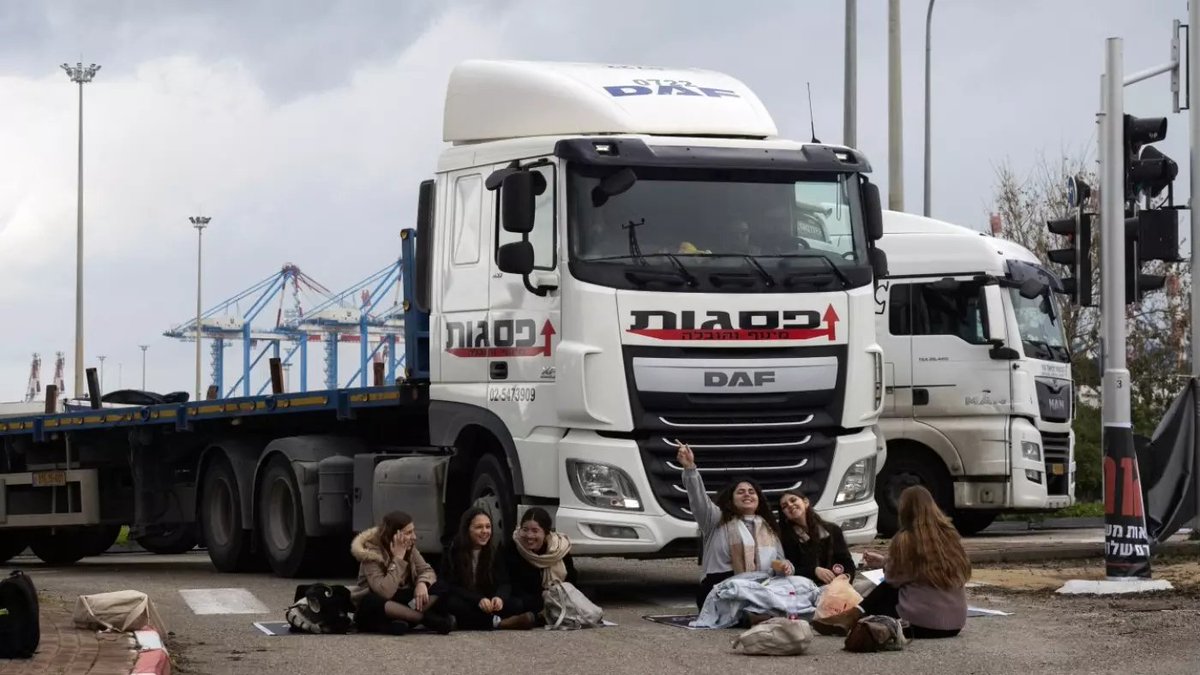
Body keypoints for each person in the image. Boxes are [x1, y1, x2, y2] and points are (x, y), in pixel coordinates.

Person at [811, 485, 970, 639]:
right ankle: (850, 617)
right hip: (955, 624)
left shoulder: (906, 539)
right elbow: (919, 569)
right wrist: (885, 562)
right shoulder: (950, 536)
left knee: (887, 589)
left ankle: (851, 617)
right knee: (890, 589)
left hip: (922, 625)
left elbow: (894, 578)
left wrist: (888, 565)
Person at [676, 443, 793, 610]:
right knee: (751, 596)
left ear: (758, 499)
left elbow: (780, 563)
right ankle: (758, 613)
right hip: (720, 590)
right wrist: (690, 468)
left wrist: (786, 567)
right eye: (741, 491)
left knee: (799, 585)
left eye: (751, 492)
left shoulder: (768, 528)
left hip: (761, 586)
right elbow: (698, 499)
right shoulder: (716, 520)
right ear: (731, 499)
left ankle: (759, 613)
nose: (747, 494)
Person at [349, 510, 455, 635]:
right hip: (381, 605)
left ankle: (404, 618)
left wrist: (422, 584)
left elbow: (426, 570)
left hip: (403, 603)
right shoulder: (371, 553)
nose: (414, 537)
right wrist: (398, 559)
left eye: (413, 531)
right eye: (409, 533)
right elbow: (385, 592)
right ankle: (424, 619)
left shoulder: (409, 547)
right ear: (394, 535)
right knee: (371, 601)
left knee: (441, 586)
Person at [438, 507, 537, 630]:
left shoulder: (493, 551)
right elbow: (448, 585)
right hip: (466, 599)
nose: (485, 531)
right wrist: (477, 600)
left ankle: (472, 621)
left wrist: (499, 598)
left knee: (516, 604)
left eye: (488, 527)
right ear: (467, 529)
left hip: (487, 601)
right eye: (479, 527)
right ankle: (500, 623)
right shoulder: (452, 551)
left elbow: (504, 582)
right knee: (452, 604)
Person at [505, 507, 579, 624]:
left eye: (535, 531)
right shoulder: (513, 548)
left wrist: (554, 595)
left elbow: (572, 581)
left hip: (557, 597)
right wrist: (542, 598)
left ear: (546, 533)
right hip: (529, 600)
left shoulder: (559, 549)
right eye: (525, 529)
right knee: (514, 605)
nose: (529, 536)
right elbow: (512, 584)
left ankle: (542, 617)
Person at [776, 490, 856, 586]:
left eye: (793, 500)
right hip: (806, 588)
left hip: (837, 585)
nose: (790, 505)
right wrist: (814, 571)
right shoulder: (786, 538)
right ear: (784, 514)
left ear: (806, 502)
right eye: (784, 506)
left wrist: (844, 580)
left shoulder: (833, 530)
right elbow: (791, 569)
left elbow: (847, 562)